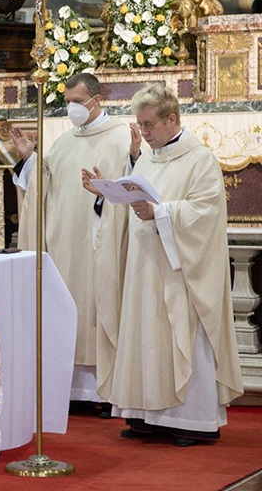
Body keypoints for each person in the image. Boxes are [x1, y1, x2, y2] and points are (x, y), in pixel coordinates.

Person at [105, 83, 243, 446]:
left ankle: (190, 420)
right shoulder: (150, 155)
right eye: (140, 125)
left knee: (180, 332)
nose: (144, 133)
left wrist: (161, 212)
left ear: (172, 119)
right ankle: (147, 414)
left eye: (149, 125)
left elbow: (207, 211)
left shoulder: (200, 158)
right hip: (146, 263)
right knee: (147, 334)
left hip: (181, 269)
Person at [11, 72, 130, 414]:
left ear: (97, 99)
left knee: (98, 305)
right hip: (63, 245)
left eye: (78, 102)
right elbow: (43, 187)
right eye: (68, 102)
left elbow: (132, 187)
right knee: (68, 310)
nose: (72, 109)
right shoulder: (63, 142)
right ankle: (73, 390)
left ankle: (104, 392)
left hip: (99, 243)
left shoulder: (122, 138)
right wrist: (30, 159)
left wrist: (102, 196)